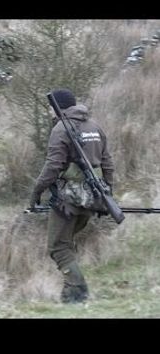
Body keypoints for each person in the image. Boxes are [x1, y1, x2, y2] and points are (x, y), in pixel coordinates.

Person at [30, 88, 115, 304]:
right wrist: (108, 194)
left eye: (51, 107)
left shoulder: (61, 128)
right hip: (94, 197)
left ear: (58, 107)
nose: (49, 111)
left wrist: (37, 191)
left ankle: (77, 292)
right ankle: (71, 291)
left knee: (58, 247)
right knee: (66, 244)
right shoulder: (95, 127)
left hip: (69, 199)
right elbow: (107, 163)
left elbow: (53, 165)